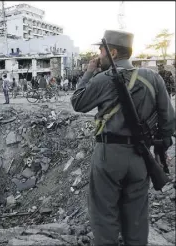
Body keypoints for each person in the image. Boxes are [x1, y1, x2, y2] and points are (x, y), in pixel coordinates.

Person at [70, 30, 175, 246]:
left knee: (104, 216)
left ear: (113, 52)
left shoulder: (103, 78)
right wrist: (160, 149)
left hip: (109, 155)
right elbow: (168, 120)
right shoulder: (153, 78)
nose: (98, 56)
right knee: (137, 219)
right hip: (140, 156)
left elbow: (78, 102)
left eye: (101, 51)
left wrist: (89, 72)